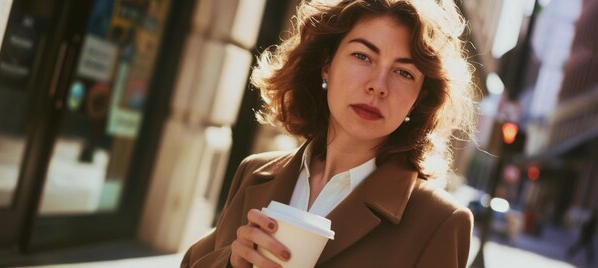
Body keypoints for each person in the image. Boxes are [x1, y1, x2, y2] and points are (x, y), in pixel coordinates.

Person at [182, 0, 477, 267]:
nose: (378, 85)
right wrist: (233, 262)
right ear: (327, 66)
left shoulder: (440, 221)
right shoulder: (255, 172)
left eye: (404, 73)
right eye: (363, 56)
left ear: (420, 97)